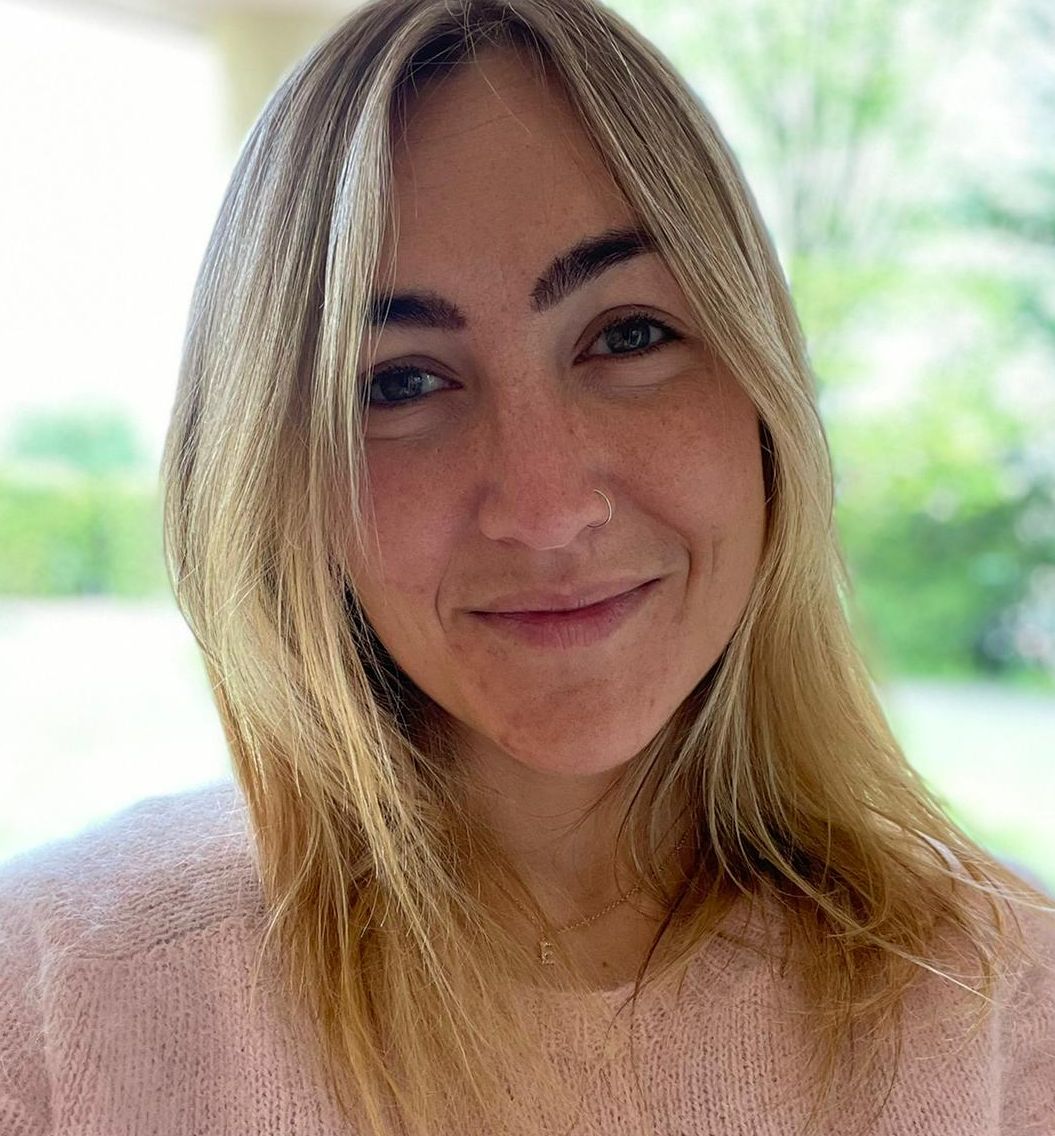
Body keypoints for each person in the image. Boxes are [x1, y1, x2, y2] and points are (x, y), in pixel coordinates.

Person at [1, 1, 1053, 1133]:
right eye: (400, 381)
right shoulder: (55, 1009)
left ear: (763, 399)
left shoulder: (1010, 1003)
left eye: (628, 334)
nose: (546, 510)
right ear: (277, 473)